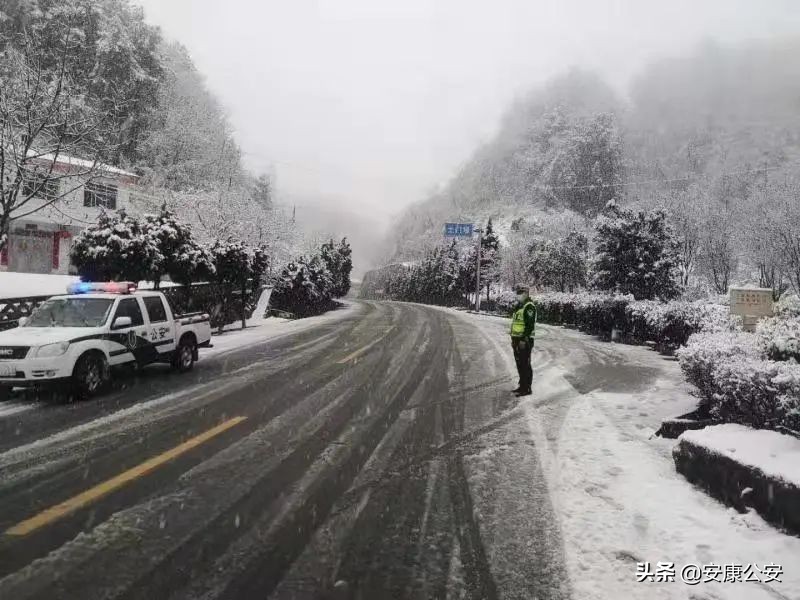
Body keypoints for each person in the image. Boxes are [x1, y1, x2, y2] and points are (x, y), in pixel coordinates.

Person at [509, 285, 536, 396]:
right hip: (516, 339)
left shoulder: (529, 306)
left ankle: (527, 388)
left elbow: (529, 325)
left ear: (525, 294)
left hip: (524, 340)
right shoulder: (520, 306)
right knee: (520, 364)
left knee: (525, 364)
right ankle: (522, 386)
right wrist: (513, 338)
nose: (518, 295)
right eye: (518, 293)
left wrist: (524, 339)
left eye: (520, 293)